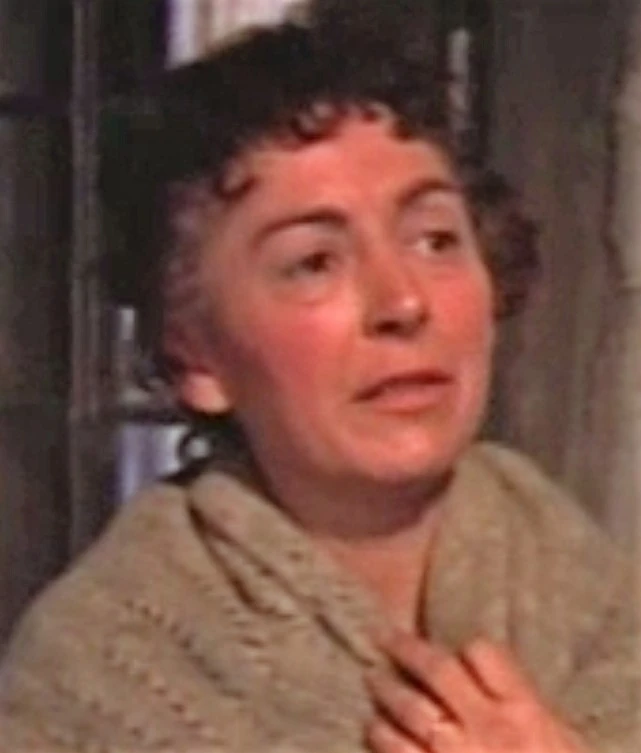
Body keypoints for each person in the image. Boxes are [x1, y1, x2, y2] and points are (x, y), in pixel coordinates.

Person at [0, 7, 636, 752]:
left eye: (435, 239)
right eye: (314, 263)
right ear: (195, 355)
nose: (403, 302)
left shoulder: (583, 584)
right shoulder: (98, 678)